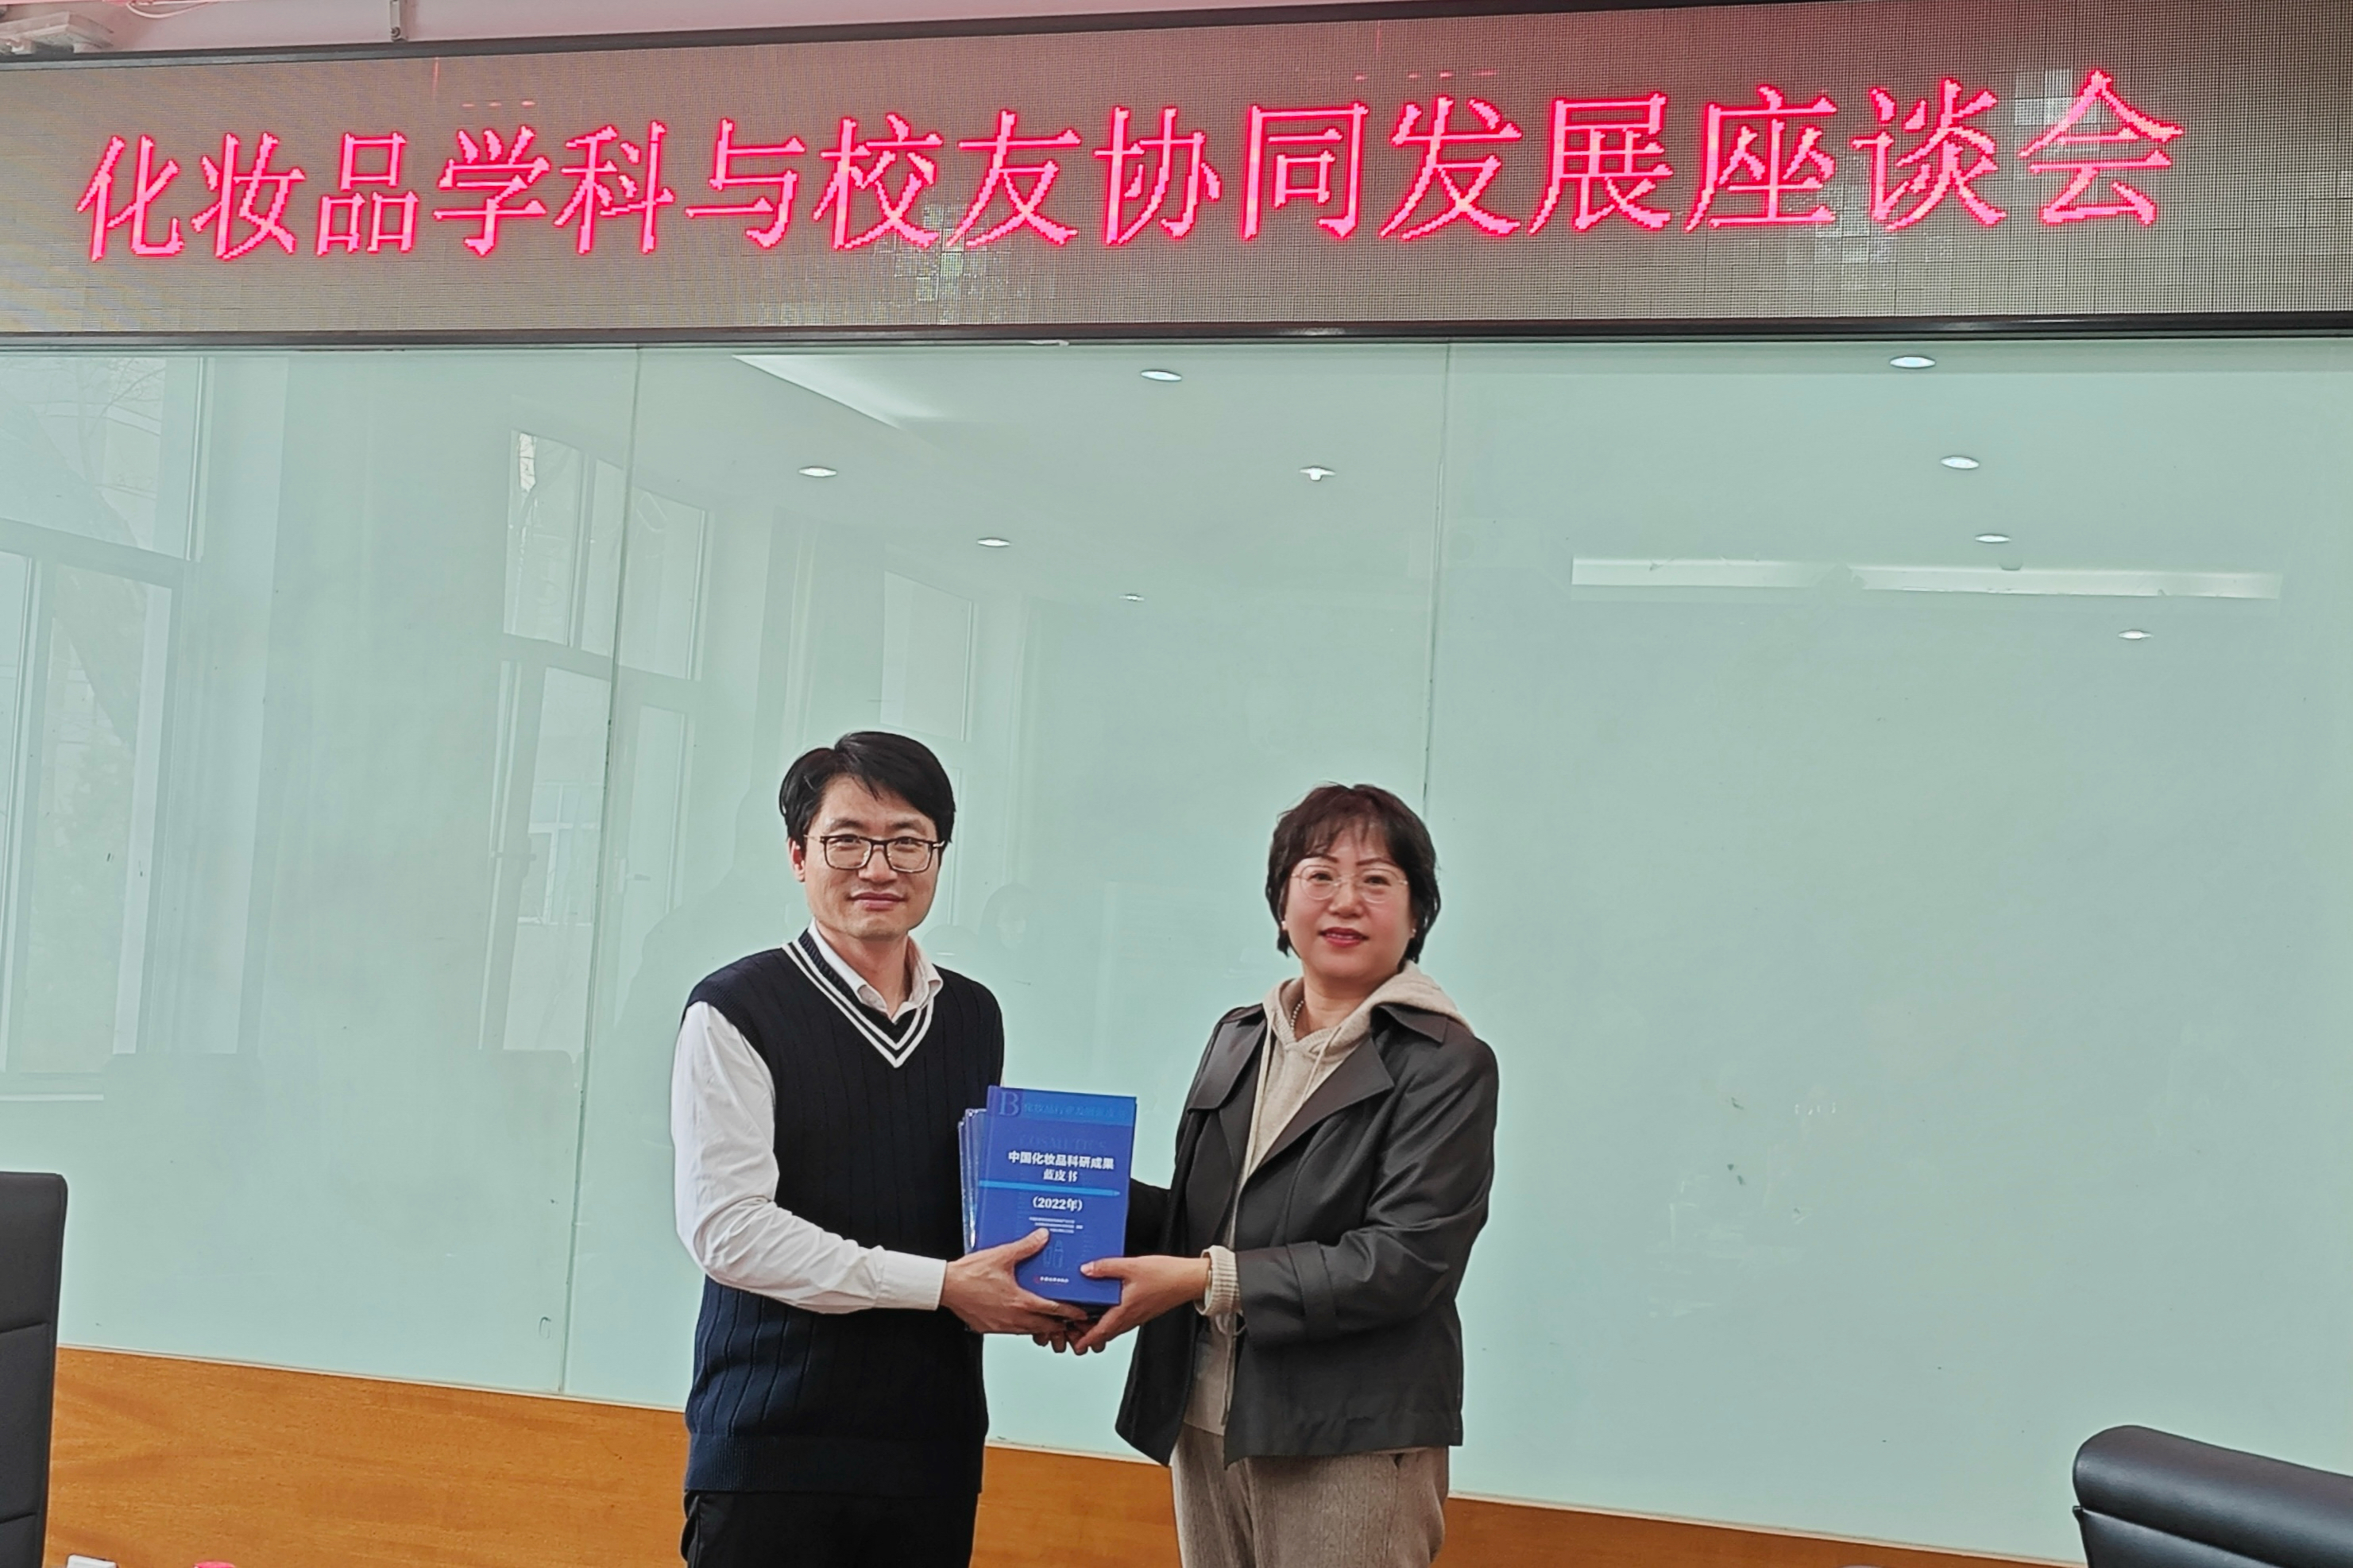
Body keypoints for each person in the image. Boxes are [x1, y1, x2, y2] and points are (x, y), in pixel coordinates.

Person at [670, 731, 1080, 1568]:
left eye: (907, 842)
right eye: (848, 840)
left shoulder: (972, 1015)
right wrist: (943, 1287)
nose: (879, 867)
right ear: (798, 855)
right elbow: (729, 1231)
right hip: (771, 1450)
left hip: (930, 1450)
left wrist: (1077, 1276)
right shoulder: (735, 1010)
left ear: (938, 856)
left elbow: (977, 1198)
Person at [1071, 783, 1500, 1568]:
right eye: (1319, 875)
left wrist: (1202, 1278)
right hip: (1205, 1416)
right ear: (1281, 903)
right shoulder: (1239, 1037)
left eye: (1376, 880)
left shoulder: (1444, 1062)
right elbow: (1203, 1225)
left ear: (1417, 914)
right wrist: (1075, 1206)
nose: (1345, 900)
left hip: (1348, 1432)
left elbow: (1407, 1260)